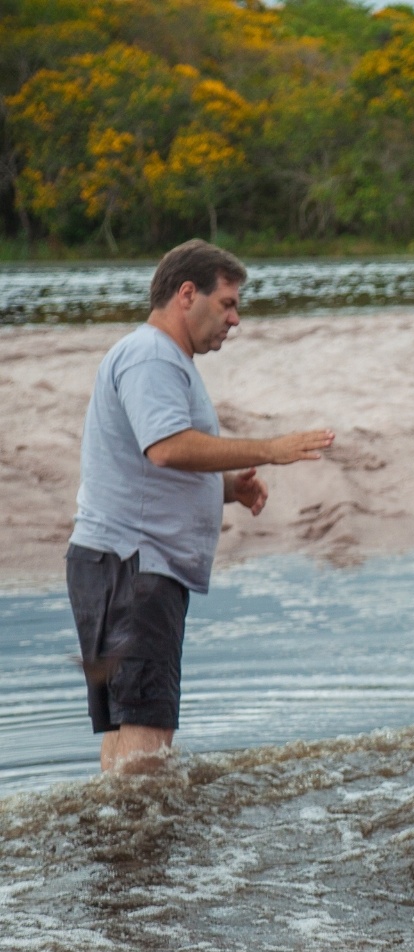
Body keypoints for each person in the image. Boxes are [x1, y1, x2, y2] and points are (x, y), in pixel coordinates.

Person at [68, 240, 334, 774]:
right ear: (187, 294)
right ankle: (142, 852)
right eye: (228, 303)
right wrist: (271, 449)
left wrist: (226, 487)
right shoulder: (151, 355)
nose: (234, 320)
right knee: (147, 735)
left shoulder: (160, 357)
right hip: (134, 567)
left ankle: (119, 843)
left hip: (119, 564)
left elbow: (146, 463)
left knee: (129, 729)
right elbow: (166, 447)